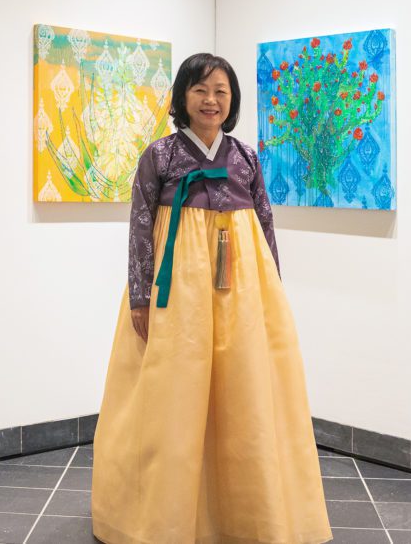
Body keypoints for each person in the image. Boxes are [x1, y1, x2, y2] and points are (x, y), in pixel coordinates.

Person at [91, 53, 333, 544]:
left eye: (221, 91)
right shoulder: (159, 156)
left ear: (232, 100)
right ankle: (165, 520)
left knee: (245, 390)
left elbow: (265, 225)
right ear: (183, 97)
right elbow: (140, 226)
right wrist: (140, 295)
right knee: (174, 393)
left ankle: (245, 517)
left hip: (240, 289)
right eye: (200, 90)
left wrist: (273, 291)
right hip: (177, 290)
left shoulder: (245, 157)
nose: (211, 100)